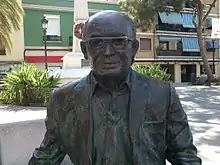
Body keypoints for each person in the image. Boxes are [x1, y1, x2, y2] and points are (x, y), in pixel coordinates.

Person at [28, 10, 201, 165]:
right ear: (85, 49)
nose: (108, 52)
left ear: (134, 48)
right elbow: (46, 156)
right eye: (97, 43)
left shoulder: (162, 94)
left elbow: (185, 156)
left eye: (119, 42)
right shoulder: (64, 99)